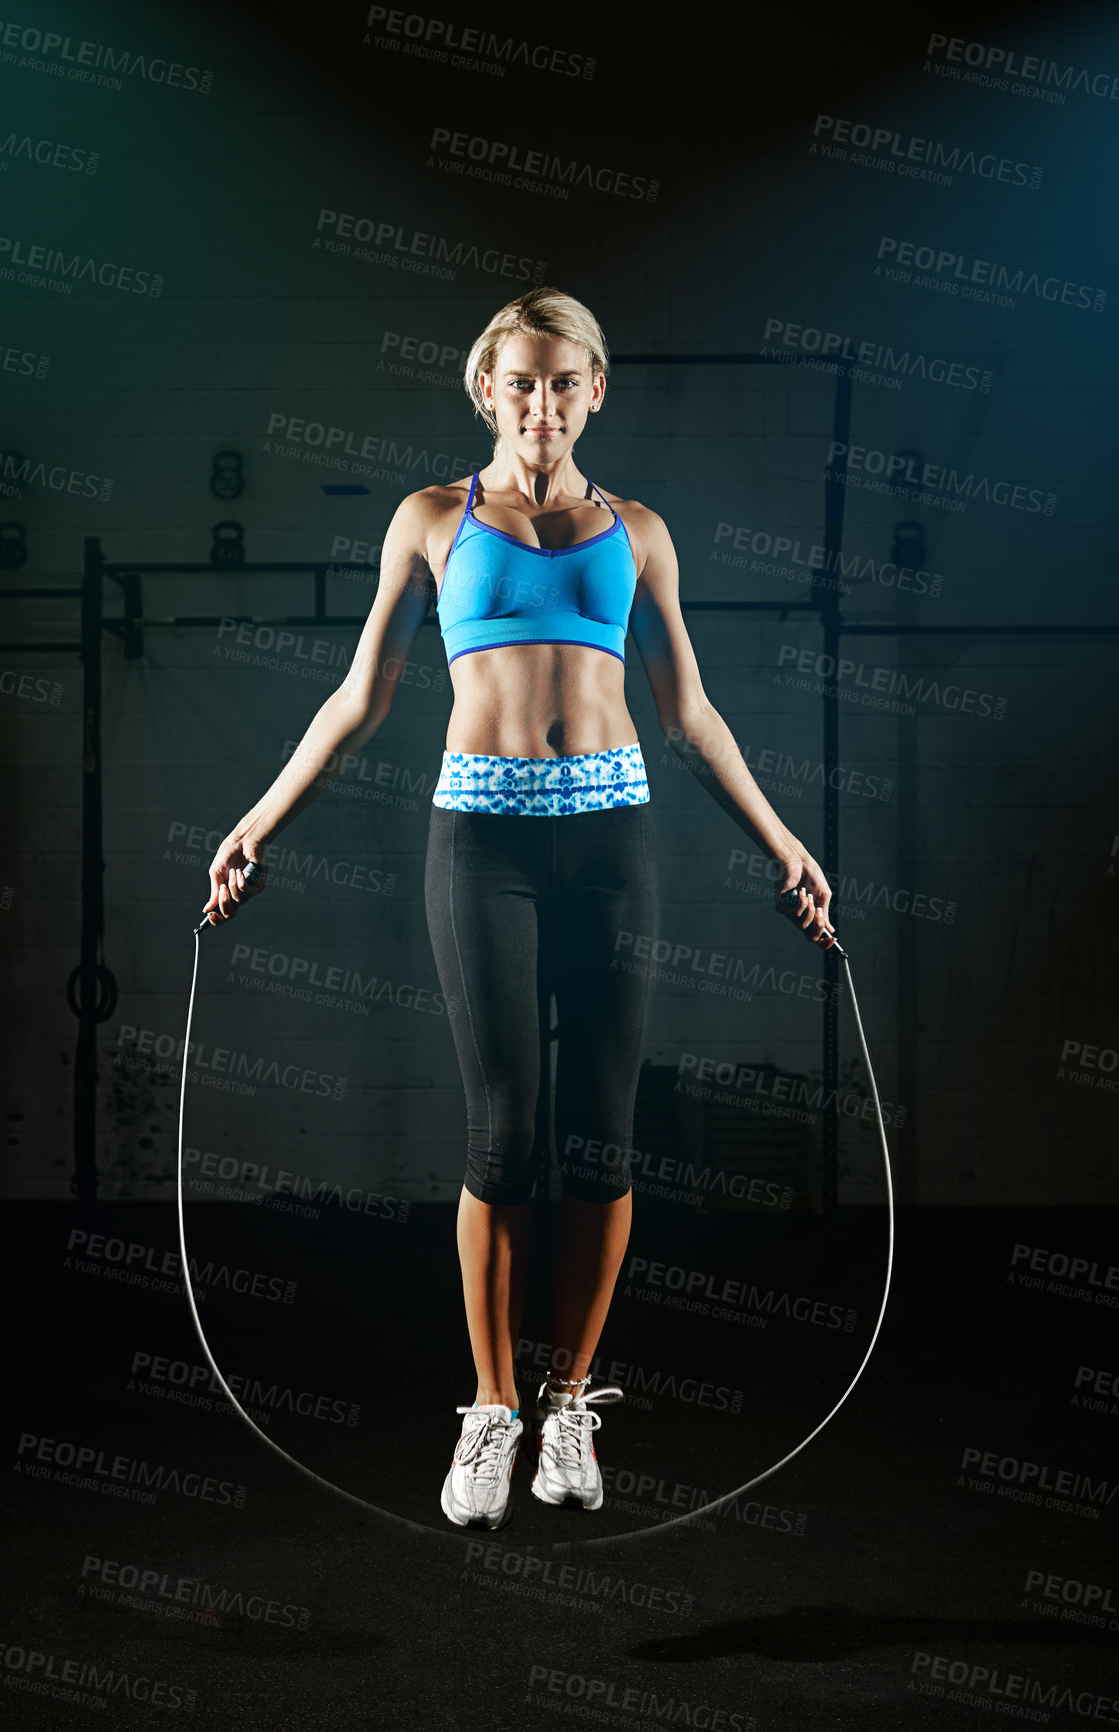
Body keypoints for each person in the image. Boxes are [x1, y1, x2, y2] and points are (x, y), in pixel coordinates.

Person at [202, 287, 836, 1532]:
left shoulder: (639, 533)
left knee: (599, 1138)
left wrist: (781, 842)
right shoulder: (433, 521)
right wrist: (255, 820)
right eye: (519, 383)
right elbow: (359, 697)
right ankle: (490, 1409)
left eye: (562, 384)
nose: (539, 406)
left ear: (593, 391)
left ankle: (564, 1401)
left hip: (610, 839)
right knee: (506, 1135)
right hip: (479, 835)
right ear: (484, 391)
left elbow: (689, 713)